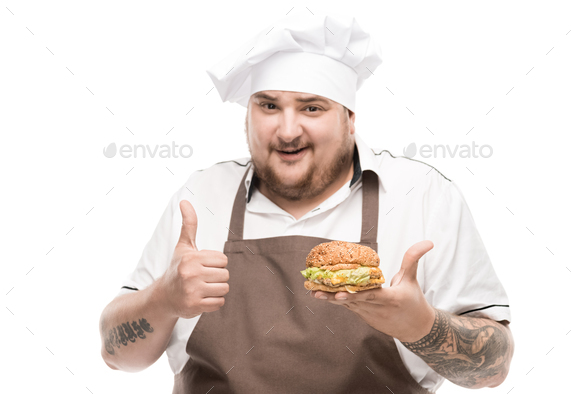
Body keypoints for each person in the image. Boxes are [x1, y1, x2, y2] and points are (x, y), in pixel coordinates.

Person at [99, 13, 514, 393]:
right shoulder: (202, 194)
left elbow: (494, 369)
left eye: (312, 107)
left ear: (350, 119)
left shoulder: (421, 195)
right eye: (268, 106)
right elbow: (116, 356)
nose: (287, 130)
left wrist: (421, 325)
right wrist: (163, 299)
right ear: (248, 115)